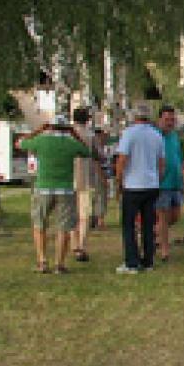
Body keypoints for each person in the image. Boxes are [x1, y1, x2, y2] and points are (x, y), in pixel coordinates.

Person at [18, 115, 91, 273]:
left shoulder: (41, 141)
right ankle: (59, 263)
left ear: (50, 127)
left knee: (39, 224)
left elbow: (20, 143)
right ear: (66, 129)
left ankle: (42, 261)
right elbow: (87, 151)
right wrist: (74, 134)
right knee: (64, 227)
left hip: (43, 187)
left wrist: (38, 130)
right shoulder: (71, 143)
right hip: (65, 189)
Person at [114, 106, 165, 274]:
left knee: (129, 224)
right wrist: (158, 179)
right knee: (148, 224)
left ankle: (132, 262)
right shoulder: (157, 135)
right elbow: (161, 163)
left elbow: (122, 159)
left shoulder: (129, 133)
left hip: (133, 184)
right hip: (151, 184)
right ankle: (148, 260)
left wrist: (118, 180)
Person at [70, 107, 103, 261]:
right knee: (84, 215)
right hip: (86, 178)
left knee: (71, 214)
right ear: (87, 120)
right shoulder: (90, 136)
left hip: (68, 178)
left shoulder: (67, 134)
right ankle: (81, 245)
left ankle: (73, 243)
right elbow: (99, 155)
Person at [155, 105, 184, 261]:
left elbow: (178, 158)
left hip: (176, 183)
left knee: (175, 216)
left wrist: (182, 180)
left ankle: (154, 232)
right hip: (162, 184)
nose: (170, 122)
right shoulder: (156, 136)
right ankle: (165, 251)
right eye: (167, 119)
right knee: (164, 217)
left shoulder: (174, 136)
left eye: (172, 120)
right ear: (160, 119)